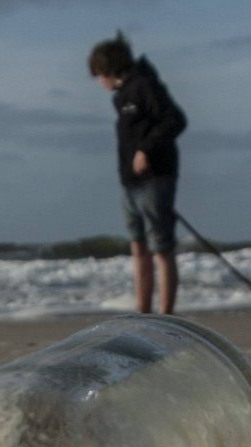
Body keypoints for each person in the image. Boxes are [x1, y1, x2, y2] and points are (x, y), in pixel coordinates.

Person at [89, 32, 187, 315]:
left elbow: (175, 120)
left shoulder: (145, 85)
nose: (98, 81)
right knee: (138, 247)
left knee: (161, 248)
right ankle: (142, 310)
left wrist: (146, 150)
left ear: (107, 69)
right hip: (130, 183)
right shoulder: (121, 97)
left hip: (156, 178)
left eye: (97, 74)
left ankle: (166, 314)